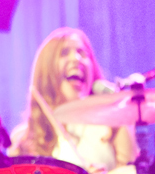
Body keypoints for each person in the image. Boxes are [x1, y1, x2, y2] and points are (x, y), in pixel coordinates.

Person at [8, 28, 138, 173]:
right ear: (46, 69)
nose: (76, 59)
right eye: (64, 53)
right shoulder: (23, 139)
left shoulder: (113, 123)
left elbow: (128, 169)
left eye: (82, 53)